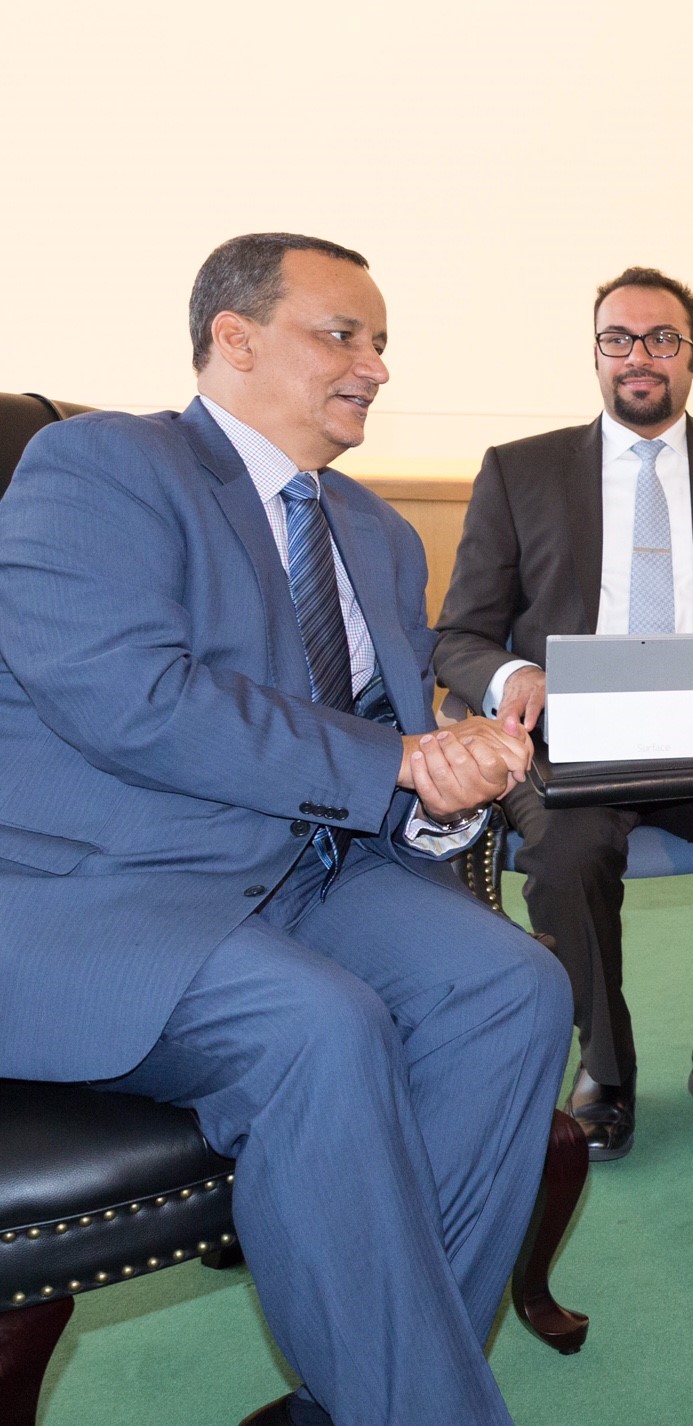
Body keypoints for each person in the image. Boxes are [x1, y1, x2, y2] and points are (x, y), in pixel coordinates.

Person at [0, 232, 572, 1426]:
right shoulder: (101, 466)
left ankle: (357, 1398)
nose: (375, 366)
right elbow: (131, 699)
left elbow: (388, 745)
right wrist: (396, 760)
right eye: (341, 334)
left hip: (308, 876)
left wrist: (448, 776)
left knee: (513, 987)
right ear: (236, 337)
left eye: (382, 343)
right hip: (100, 890)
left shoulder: (377, 531)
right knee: (319, 1026)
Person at [434, 266, 693, 1159]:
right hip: (574, 743)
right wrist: (514, 676)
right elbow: (460, 634)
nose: (638, 356)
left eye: (661, 339)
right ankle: (604, 1066)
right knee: (566, 855)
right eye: (618, 338)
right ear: (596, 353)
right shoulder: (520, 470)